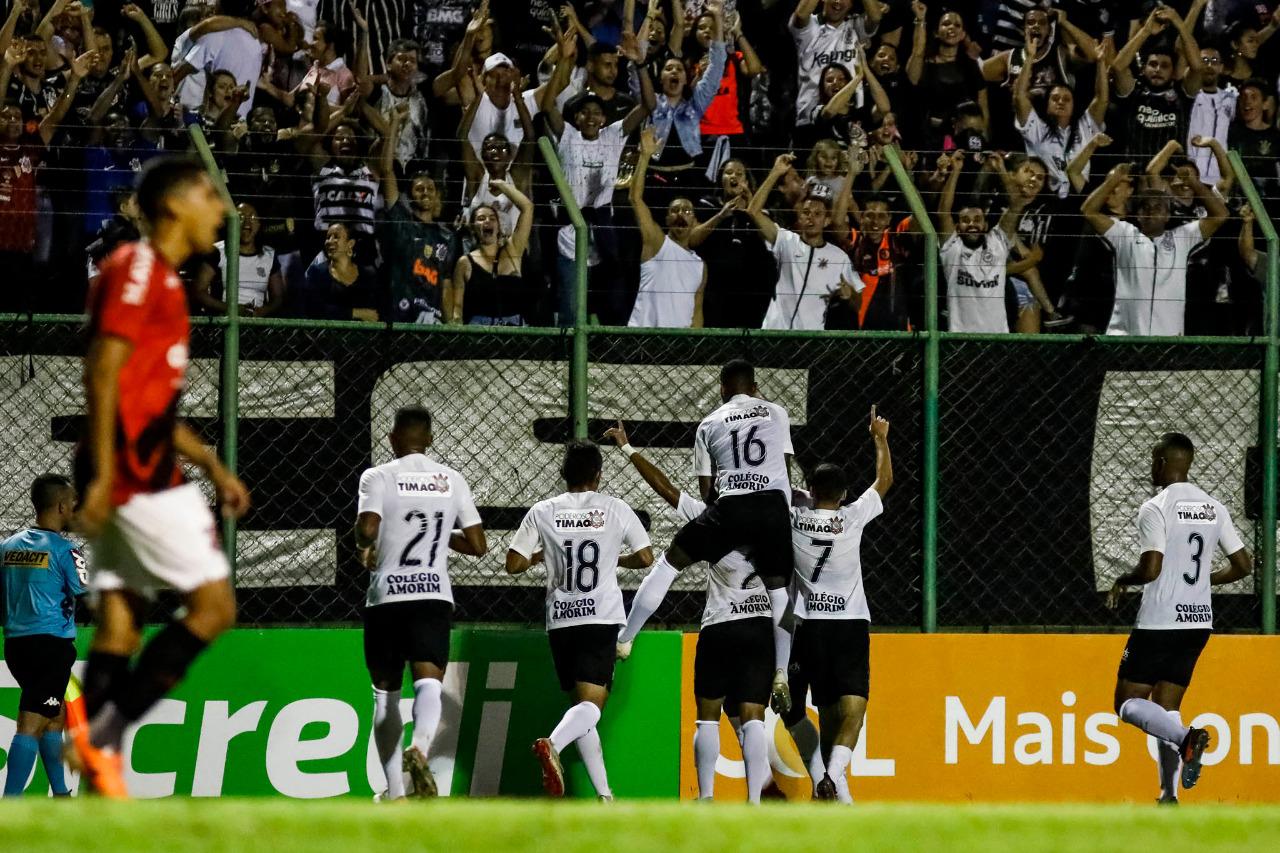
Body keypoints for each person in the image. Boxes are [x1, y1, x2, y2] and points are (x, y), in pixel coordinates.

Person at [70, 157, 250, 799]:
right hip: (136, 472)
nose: (220, 208)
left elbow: (150, 400)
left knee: (120, 626)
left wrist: (211, 463)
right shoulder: (139, 270)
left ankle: (98, 784)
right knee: (214, 608)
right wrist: (104, 476)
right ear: (173, 206)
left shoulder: (165, 283)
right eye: (209, 194)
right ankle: (105, 737)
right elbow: (103, 370)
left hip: (132, 463)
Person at [604, 420, 772, 803]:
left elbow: (666, 490)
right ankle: (755, 803)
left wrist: (629, 450)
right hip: (760, 629)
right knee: (753, 718)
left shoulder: (711, 518)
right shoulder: (777, 521)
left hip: (719, 627)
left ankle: (707, 797)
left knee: (707, 716)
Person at [628, 360, 797, 713]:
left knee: (670, 562)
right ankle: (782, 671)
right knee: (779, 589)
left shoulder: (709, 423)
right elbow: (785, 468)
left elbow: (706, 492)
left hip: (731, 507)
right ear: (755, 387)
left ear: (722, 388)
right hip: (772, 506)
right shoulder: (776, 412)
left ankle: (625, 638)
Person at [1105, 431, 1252, 804]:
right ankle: (1168, 796)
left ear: (1162, 462)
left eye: (1153, 460)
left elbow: (1151, 568)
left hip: (1160, 622)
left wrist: (1123, 580)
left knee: (1127, 703)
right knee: (1165, 709)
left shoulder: (1156, 507)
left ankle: (1187, 738)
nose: (1151, 467)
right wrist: (1205, 580)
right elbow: (1242, 565)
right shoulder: (1214, 507)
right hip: (1198, 622)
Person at [506, 440, 654, 800]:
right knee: (591, 709)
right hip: (599, 617)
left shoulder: (543, 511)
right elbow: (646, 557)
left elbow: (513, 564)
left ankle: (605, 796)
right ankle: (552, 744)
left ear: (563, 473)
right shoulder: (615, 508)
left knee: (581, 710)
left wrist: (541, 555)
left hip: (561, 621)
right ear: (599, 475)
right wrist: (615, 560)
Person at [355, 406, 486, 801]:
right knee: (428, 681)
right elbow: (478, 544)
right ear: (429, 439)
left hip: (387, 597)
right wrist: (442, 533)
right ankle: (421, 745)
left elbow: (367, 529)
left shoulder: (377, 476)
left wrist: (364, 544)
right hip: (432, 594)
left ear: (392, 438)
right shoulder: (452, 480)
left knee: (385, 695)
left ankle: (395, 794)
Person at [788, 408, 891, 803]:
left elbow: (781, 491)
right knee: (853, 707)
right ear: (845, 494)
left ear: (811, 491)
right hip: (849, 624)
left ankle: (826, 787)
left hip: (810, 626)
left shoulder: (795, 518)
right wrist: (880, 439)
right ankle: (833, 776)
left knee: (823, 709)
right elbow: (884, 481)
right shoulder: (852, 517)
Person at [1, 475, 85, 797]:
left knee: (54, 714)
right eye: (73, 503)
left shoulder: (7, 547)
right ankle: (9, 805)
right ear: (62, 507)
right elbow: (85, 590)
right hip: (51, 648)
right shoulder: (66, 551)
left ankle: (61, 795)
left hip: (16, 647)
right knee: (31, 723)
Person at [1082, 162, 1227, 336]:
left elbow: (1220, 215)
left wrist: (1194, 183)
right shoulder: (1124, 234)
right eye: (1145, 207)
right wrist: (1113, 180)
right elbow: (1089, 211)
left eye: (1158, 207)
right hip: (1124, 337)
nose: (1151, 211)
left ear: (1167, 216)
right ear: (1138, 214)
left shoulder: (1181, 238)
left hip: (1168, 339)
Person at [747, 153, 858, 331]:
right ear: (800, 216)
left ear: (827, 221)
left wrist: (849, 296)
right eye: (806, 212)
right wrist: (775, 172)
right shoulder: (786, 241)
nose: (811, 217)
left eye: (818, 214)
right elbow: (753, 211)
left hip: (809, 339)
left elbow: (857, 300)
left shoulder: (838, 257)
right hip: (773, 334)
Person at [380, 105, 461, 325]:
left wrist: (450, 325)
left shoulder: (448, 236)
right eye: (419, 189)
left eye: (430, 189)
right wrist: (395, 124)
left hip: (431, 321)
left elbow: (445, 283)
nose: (425, 192)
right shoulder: (400, 219)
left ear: (437, 195)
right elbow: (386, 171)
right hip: (399, 315)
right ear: (409, 196)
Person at [627, 127, 708, 328]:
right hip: (643, 338)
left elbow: (697, 312)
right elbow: (635, 199)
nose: (681, 214)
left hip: (677, 342)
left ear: (695, 221)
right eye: (675, 210)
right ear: (666, 219)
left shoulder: (700, 266)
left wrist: (694, 343)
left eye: (687, 211)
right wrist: (645, 156)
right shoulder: (657, 243)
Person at [1014, 36, 1108, 199]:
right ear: (1047, 105)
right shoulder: (1037, 128)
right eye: (1055, 98)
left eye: (1066, 99)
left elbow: (1102, 99)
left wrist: (1100, 63)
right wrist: (1029, 58)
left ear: (1074, 106)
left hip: (1080, 198)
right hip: (1045, 198)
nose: (1061, 102)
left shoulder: (1085, 127)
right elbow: (1019, 96)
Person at [936, 150, 1016, 333]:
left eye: (977, 220)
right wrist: (955, 171)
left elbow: (1015, 205)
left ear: (986, 225)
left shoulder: (998, 243)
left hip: (997, 339)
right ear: (957, 227)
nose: (972, 224)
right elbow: (942, 213)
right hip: (960, 339)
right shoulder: (952, 249)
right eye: (965, 220)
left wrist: (1001, 169)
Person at [1111, 6, 1203, 159]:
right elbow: (1117, 67)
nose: (1158, 69)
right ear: (1143, 69)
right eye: (1153, 64)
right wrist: (1145, 30)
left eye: (1165, 66)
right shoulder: (1134, 92)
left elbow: (1198, 68)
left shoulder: (1182, 94)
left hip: (1173, 171)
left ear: (1173, 72)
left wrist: (1179, 23)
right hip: (1136, 170)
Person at [447, 179, 534, 325]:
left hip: (515, 329)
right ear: (473, 228)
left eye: (492, 218)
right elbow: (458, 307)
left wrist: (501, 185)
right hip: (479, 330)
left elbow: (527, 207)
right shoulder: (464, 263)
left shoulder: (513, 249)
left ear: (498, 227)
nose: (487, 221)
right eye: (481, 219)